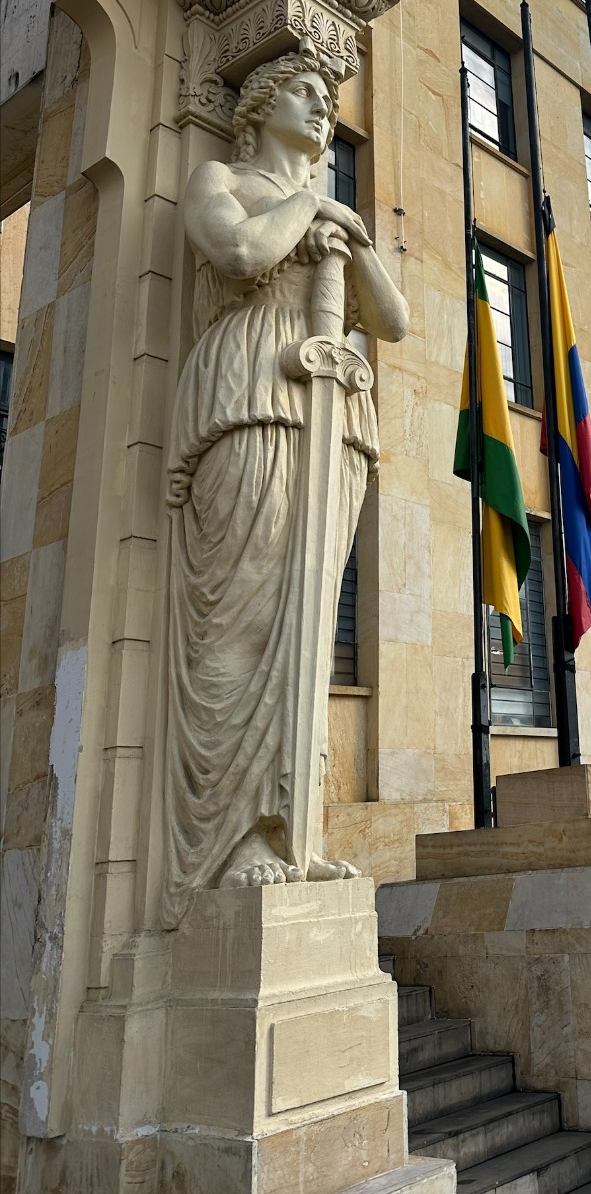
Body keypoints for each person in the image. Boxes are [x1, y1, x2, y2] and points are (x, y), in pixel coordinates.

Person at [161, 51, 409, 926]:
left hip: (332, 413)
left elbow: (396, 320)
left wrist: (354, 236)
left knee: (307, 629)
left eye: (328, 100)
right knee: (244, 618)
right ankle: (230, 841)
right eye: (305, 93)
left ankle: (293, 830)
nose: (323, 110)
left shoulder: (336, 215)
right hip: (253, 394)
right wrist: (313, 204)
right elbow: (236, 253)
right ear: (260, 107)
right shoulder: (219, 178)